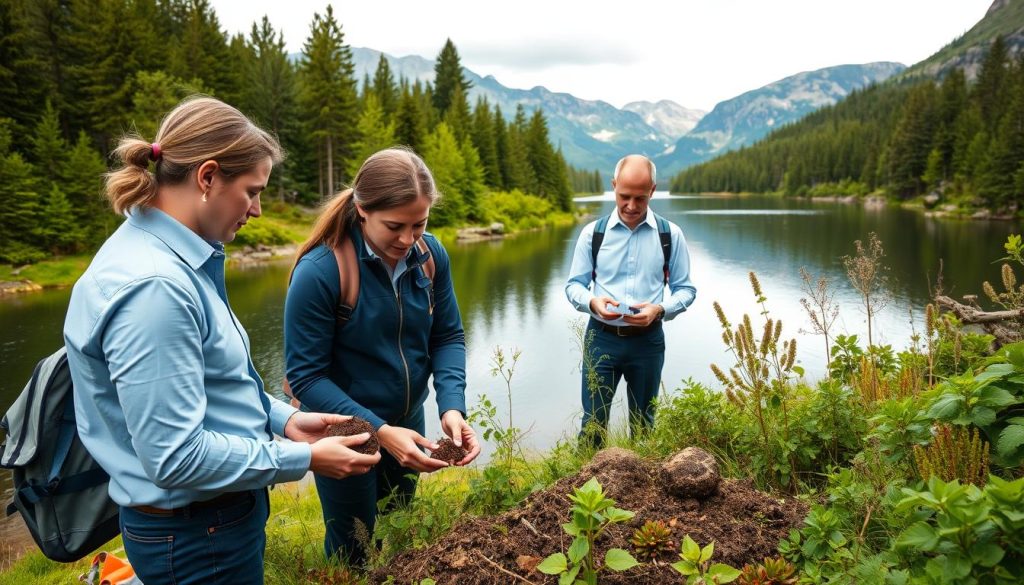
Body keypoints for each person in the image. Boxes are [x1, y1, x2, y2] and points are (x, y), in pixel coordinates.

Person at [63, 96, 380, 585]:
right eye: (252, 191)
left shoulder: (172, 257)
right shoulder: (157, 289)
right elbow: (176, 456)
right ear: (207, 177)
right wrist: (307, 458)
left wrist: (286, 419)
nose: (256, 209)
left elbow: (214, 382)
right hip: (196, 536)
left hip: (204, 522)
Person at [284, 147, 481, 565]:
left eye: (420, 224)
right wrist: (379, 430)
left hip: (409, 420)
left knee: (403, 527)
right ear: (361, 210)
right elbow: (306, 378)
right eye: (395, 226)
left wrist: (451, 407)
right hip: (346, 431)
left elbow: (447, 337)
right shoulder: (320, 271)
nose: (409, 239)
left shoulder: (430, 256)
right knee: (352, 542)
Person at [565, 154, 697, 448]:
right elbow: (574, 286)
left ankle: (642, 492)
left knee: (644, 426)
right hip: (600, 339)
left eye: (640, 198)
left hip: (648, 342)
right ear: (613, 186)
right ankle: (587, 492)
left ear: (652, 190)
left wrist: (659, 310)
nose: (631, 206)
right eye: (624, 196)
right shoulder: (592, 234)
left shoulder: (670, 235)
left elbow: (686, 290)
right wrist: (593, 303)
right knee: (593, 425)